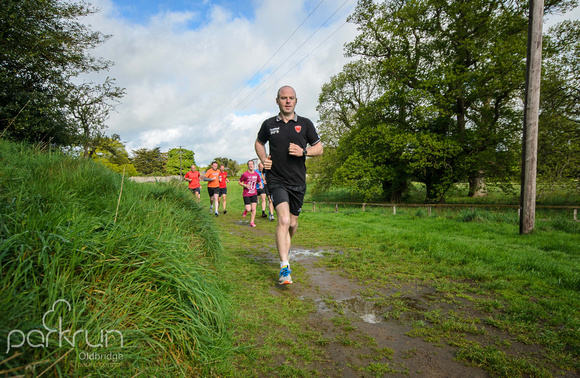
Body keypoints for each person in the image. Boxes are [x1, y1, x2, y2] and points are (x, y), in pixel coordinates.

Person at [254, 85, 323, 285]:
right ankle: (285, 268)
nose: (287, 101)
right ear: (277, 101)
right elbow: (259, 143)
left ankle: (286, 245)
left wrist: (304, 152)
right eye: (283, 98)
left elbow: (319, 148)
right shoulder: (268, 124)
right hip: (276, 179)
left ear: (295, 101)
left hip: (298, 182)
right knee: (283, 220)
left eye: (291, 98)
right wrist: (264, 157)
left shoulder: (305, 123)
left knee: (292, 224)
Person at [238, 160, 261, 228]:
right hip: (246, 194)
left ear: (254, 165)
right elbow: (239, 182)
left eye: (252, 164)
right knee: (248, 209)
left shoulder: (256, 174)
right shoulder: (245, 174)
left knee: (253, 208)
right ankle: (246, 211)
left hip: (254, 193)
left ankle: (252, 222)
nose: (251, 166)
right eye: (249, 164)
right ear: (248, 166)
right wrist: (244, 185)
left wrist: (261, 185)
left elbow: (259, 181)